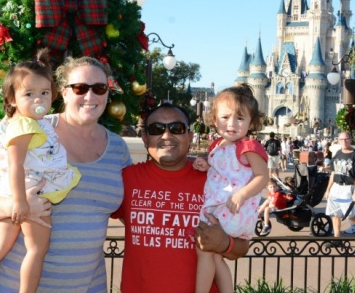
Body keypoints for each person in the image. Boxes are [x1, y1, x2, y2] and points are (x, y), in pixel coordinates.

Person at [0, 56, 131, 292]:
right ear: (63, 93)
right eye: (80, 88)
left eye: (99, 88)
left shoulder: (118, 149)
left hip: (88, 286)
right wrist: (19, 206)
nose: (90, 96)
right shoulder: (30, 130)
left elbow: (134, 211)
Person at [0, 50, 81, 293]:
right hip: (27, 190)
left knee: (0, 243)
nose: (38, 100)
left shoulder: (34, 123)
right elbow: (15, 164)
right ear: (13, 98)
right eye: (29, 94)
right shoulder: (24, 125)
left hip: (19, 189)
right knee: (36, 250)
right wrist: (20, 202)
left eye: (44, 93)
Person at [112, 103, 255, 293]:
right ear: (145, 138)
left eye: (176, 128)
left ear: (189, 136)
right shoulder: (126, 179)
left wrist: (224, 243)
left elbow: (242, 247)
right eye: (156, 129)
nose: (166, 136)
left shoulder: (216, 180)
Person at [192, 85, 269, 293]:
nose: (232, 124)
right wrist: (207, 166)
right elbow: (228, 170)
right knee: (215, 256)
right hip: (223, 208)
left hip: (233, 209)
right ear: (214, 119)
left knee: (204, 249)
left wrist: (242, 195)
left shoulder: (248, 146)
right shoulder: (218, 145)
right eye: (225, 117)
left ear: (251, 122)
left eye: (240, 119)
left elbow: (263, 176)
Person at [325, 132, 355, 240]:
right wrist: (328, 189)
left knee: (349, 214)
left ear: (350, 139)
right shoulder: (337, 153)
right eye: (341, 139)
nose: (344, 141)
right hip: (336, 187)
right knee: (335, 214)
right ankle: (337, 238)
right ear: (338, 140)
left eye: (346, 139)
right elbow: (333, 173)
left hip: (347, 187)